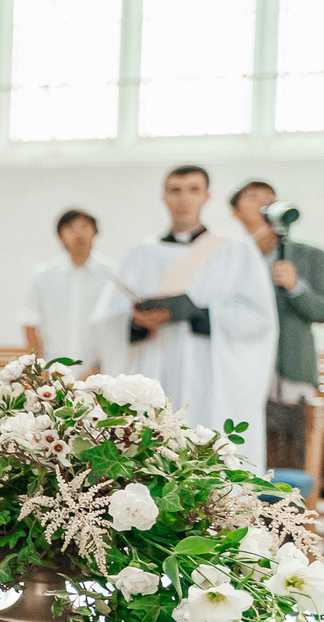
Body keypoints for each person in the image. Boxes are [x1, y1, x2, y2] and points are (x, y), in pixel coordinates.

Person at [91, 166, 276, 468]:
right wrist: (135, 322)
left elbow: (259, 319)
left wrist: (200, 314)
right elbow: (107, 317)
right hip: (152, 370)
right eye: (175, 190)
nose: (183, 199)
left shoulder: (237, 252)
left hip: (207, 375)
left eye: (193, 190)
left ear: (207, 197)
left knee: (205, 456)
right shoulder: (140, 253)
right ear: (164, 197)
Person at [229, 179, 324, 469]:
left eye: (270, 197)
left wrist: (297, 287)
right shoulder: (229, 256)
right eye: (254, 196)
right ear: (235, 211)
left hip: (291, 368)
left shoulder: (309, 255)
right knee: (243, 450)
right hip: (241, 367)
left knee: (293, 454)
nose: (264, 203)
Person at [19, 208, 121, 376]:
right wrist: (38, 368)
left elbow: (117, 326)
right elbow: (30, 322)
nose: (78, 233)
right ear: (60, 235)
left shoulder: (112, 275)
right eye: (70, 228)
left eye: (84, 227)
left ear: (94, 233)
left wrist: (97, 368)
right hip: (52, 374)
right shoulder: (43, 275)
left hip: (101, 374)